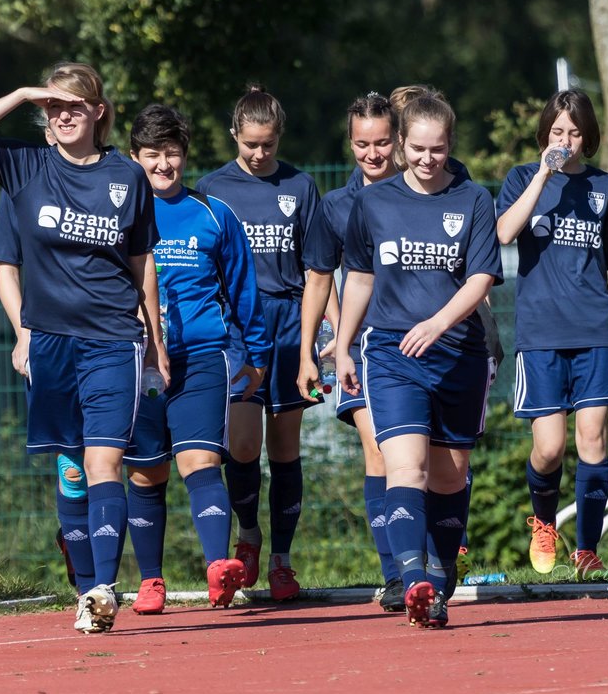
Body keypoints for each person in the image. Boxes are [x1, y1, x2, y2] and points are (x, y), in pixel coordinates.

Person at [0, 61, 166, 633]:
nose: (64, 115)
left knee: (105, 462)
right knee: (71, 469)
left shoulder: (128, 177)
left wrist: (155, 344)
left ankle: (102, 589)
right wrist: (22, 92)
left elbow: (143, 266)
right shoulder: (27, 165)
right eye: (54, 107)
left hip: (114, 338)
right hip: (50, 343)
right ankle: (84, 587)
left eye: (74, 105)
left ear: (98, 111)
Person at [335, 94, 503, 629]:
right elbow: (359, 277)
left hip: (457, 355)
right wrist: (341, 345)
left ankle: (441, 574)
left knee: (450, 477)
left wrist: (438, 323)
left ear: (450, 145)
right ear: (402, 143)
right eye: (418, 148)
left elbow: (481, 278)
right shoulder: (374, 202)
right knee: (407, 467)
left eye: (439, 149)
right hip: (391, 352)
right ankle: (414, 582)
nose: (428, 159)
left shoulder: (473, 199)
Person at [494, 88, 608, 580]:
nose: (564, 140)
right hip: (541, 334)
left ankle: (586, 549)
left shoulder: (604, 188)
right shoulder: (523, 178)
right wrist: (544, 172)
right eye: (557, 130)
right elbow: (502, 233)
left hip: (595, 332)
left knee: (594, 442)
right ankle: (544, 523)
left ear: (588, 138)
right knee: (549, 448)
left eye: (574, 132)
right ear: (544, 132)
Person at [122, 104, 271, 614]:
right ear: (134, 157)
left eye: (172, 153)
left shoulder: (214, 214)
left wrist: (257, 354)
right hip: (137, 361)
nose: (163, 164)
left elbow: (243, 289)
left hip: (203, 356)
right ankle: (151, 581)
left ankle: (218, 569)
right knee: (146, 473)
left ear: (184, 155)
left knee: (201, 462)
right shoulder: (120, 212)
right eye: (152, 155)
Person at [195, 85, 320, 601]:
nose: (259, 153)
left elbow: (317, 270)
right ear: (235, 136)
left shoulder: (301, 186)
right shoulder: (211, 189)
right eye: (250, 144)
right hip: (238, 330)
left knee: (285, 447)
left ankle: (283, 562)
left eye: (268, 144)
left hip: (289, 325)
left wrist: (314, 343)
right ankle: (248, 537)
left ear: (279, 137)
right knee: (243, 445)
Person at [297, 92, 404, 612]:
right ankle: (397, 575)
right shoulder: (336, 206)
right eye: (362, 143)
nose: (373, 153)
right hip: (360, 349)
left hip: (426, 344)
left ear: (398, 139)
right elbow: (318, 281)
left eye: (382, 142)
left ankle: (434, 558)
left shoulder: (431, 190)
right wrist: (309, 353)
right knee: (380, 449)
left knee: (431, 463)